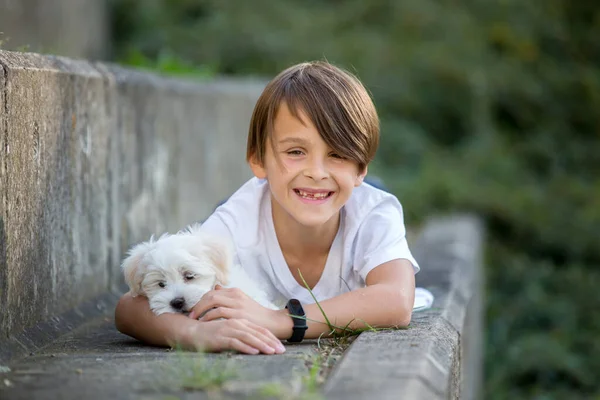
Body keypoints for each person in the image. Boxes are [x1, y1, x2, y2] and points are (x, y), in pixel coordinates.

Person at [115, 61, 419, 355]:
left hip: (351, 201)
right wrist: (195, 333)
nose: (316, 171)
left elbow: (397, 299)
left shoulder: (374, 213)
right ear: (258, 160)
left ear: (361, 167)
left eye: (338, 154)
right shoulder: (236, 221)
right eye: (296, 151)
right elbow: (127, 310)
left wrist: (282, 321)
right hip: (261, 207)